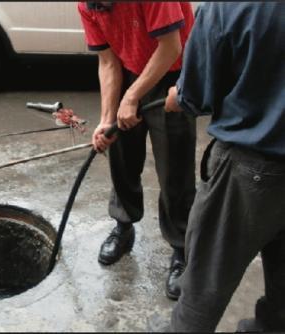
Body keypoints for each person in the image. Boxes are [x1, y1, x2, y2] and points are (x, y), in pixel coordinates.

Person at [164, 3, 285, 332]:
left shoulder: (228, 7)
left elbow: (194, 97)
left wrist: (176, 95)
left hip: (250, 170)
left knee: (204, 283)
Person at [78, 2, 196, 300]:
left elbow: (171, 47)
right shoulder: (87, 4)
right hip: (132, 69)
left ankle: (182, 248)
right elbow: (107, 61)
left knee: (174, 167)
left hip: (174, 72)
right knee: (121, 154)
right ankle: (124, 224)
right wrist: (107, 120)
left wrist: (131, 98)